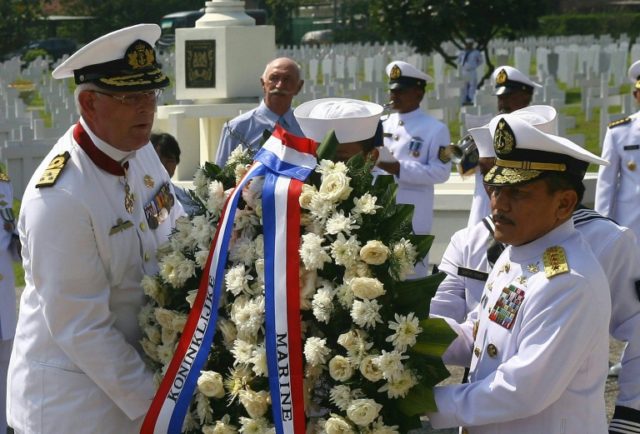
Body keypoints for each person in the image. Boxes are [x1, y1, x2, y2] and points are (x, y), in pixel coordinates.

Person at [7, 24, 184, 433]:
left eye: (151, 93)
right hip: (74, 408)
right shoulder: (60, 197)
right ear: (89, 103)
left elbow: (175, 227)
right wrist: (161, 410)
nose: (146, 108)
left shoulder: (138, 152)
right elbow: (82, 328)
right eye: (130, 97)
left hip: (136, 383)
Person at [431, 107, 640, 432]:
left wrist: (426, 405)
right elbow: (480, 335)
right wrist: (408, 336)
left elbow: (519, 391)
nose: (499, 203)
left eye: (518, 192)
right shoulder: (517, 253)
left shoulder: (568, 281)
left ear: (564, 204)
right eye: (496, 188)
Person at [380, 60, 451, 277]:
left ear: (418, 94)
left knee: (411, 276)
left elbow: (441, 172)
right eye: (393, 91)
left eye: (401, 91)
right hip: (382, 211)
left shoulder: (435, 129)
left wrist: (399, 168)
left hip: (413, 216)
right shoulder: (382, 123)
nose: (395, 96)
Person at [466, 66, 543, 227]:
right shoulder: (491, 126)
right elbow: (464, 170)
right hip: (481, 210)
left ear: (526, 97)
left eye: (509, 97)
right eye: (500, 97)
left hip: (512, 212)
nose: (503, 103)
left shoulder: (537, 130)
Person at [215, 57, 305, 166]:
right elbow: (221, 177)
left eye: (287, 79)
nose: (279, 85)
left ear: (299, 87)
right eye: (274, 78)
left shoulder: (306, 127)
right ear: (263, 83)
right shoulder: (236, 128)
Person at [595, 59, 640, 249]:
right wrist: (601, 230)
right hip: (632, 229)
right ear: (636, 95)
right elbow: (606, 186)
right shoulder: (619, 133)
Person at [293, 97, 383, 162]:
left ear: (371, 158)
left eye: (341, 159)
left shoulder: (384, 188)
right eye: (318, 159)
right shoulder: (300, 186)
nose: (327, 167)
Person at [0, 172, 19, 434]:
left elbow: (11, 244)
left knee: (5, 364)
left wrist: (18, 240)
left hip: (3, 296)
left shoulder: (4, 184)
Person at [151, 132, 199, 216]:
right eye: (159, 160)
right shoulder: (142, 195)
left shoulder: (185, 196)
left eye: (169, 161)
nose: (163, 165)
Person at [458, 40, 483, 105]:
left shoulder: (476, 52)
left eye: (469, 44)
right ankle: (464, 99)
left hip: (472, 71)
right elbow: (459, 60)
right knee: (464, 86)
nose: (468, 45)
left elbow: (480, 61)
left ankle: (471, 99)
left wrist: (475, 66)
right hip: (464, 71)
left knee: (473, 85)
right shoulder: (462, 52)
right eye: (467, 44)